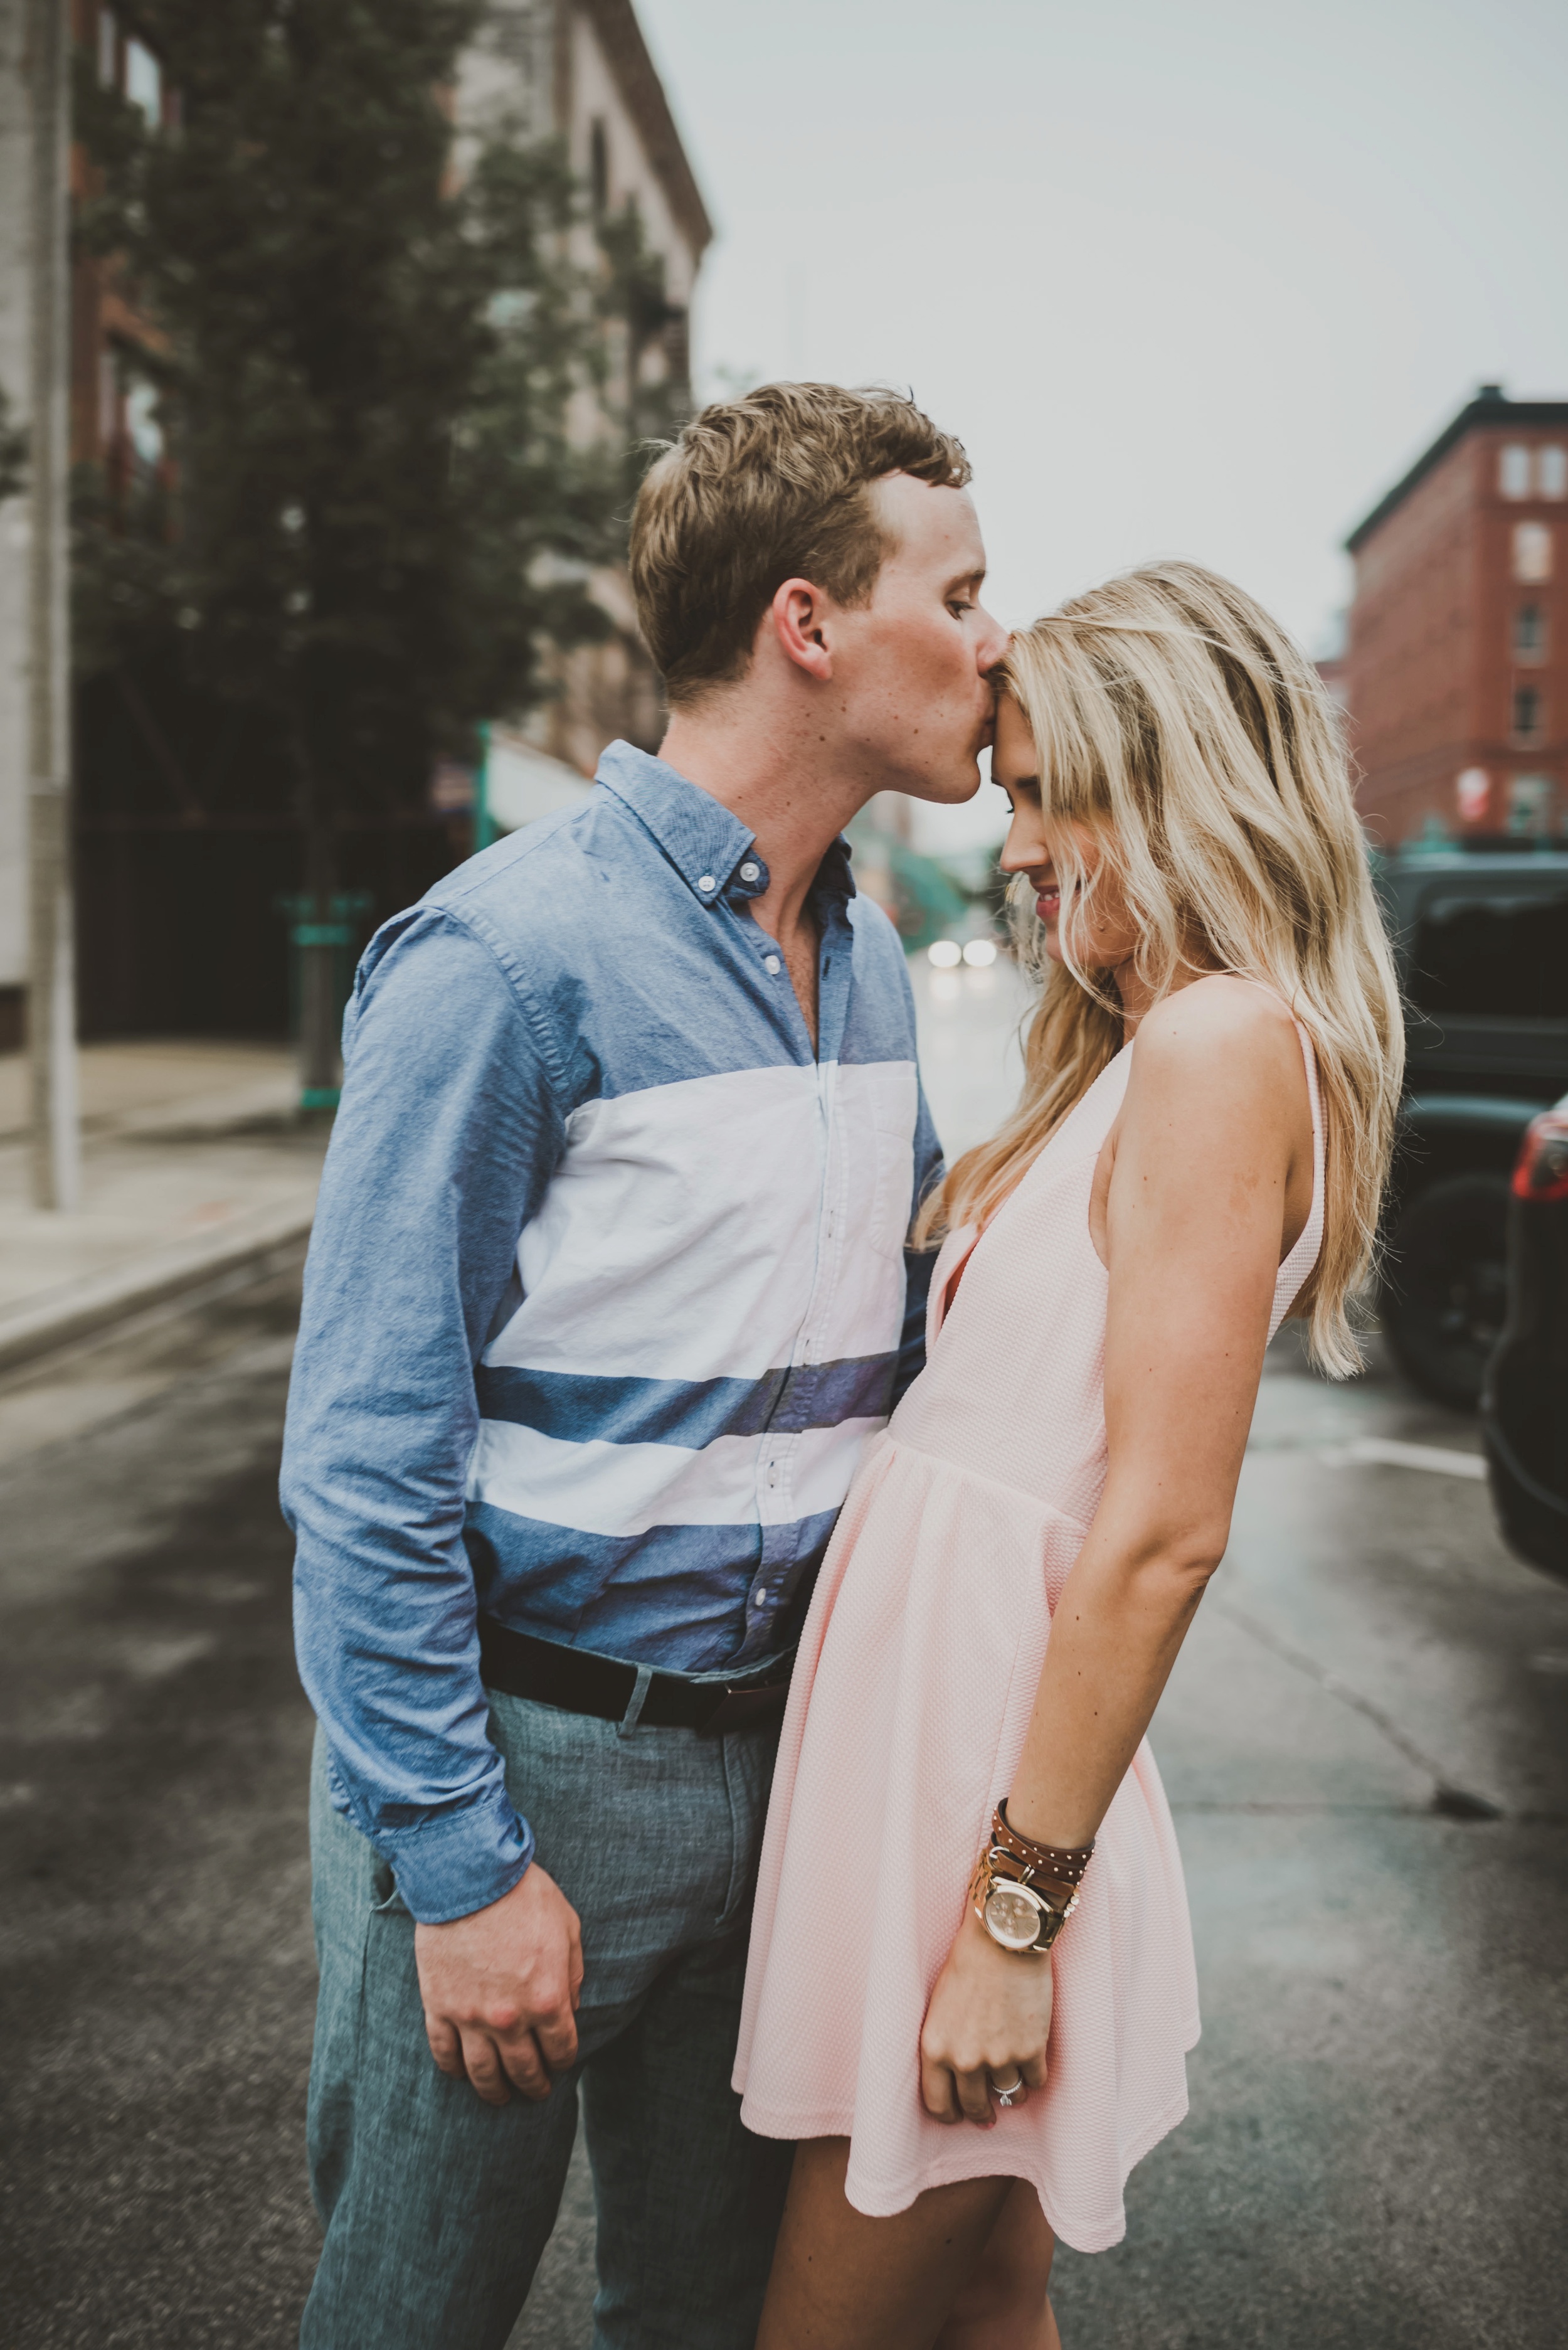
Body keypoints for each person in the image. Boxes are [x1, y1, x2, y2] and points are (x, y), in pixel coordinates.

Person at [280, 380, 1007, 2350]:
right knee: (405, 2314)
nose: (996, 635)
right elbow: (362, 1454)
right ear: (809, 623)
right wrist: (458, 1865)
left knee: (698, 2319)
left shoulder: (859, 951)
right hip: (527, 1775)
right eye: (962, 587)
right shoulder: (506, 959)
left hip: (788, 1781)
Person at [735, 561, 1404, 2348]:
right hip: (942, 1773)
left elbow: (1162, 1534)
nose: (1012, 840)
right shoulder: (1141, 1044)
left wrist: (1009, 1923)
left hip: (983, 1802)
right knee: (978, 2311)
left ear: (1163, 774)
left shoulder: (1219, 1045)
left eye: (1040, 790)